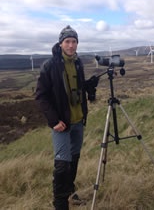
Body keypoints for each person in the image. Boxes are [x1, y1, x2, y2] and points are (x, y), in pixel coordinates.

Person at [35, 25, 99, 210]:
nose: (71, 45)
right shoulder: (50, 65)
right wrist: (54, 121)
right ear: (61, 43)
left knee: (74, 160)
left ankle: (70, 193)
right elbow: (41, 95)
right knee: (62, 164)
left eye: (74, 42)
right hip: (61, 123)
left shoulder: (78, 63)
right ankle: (60, 204)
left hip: (78, 120)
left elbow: (75, 88)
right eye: (67, 41)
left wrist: (88, 85)